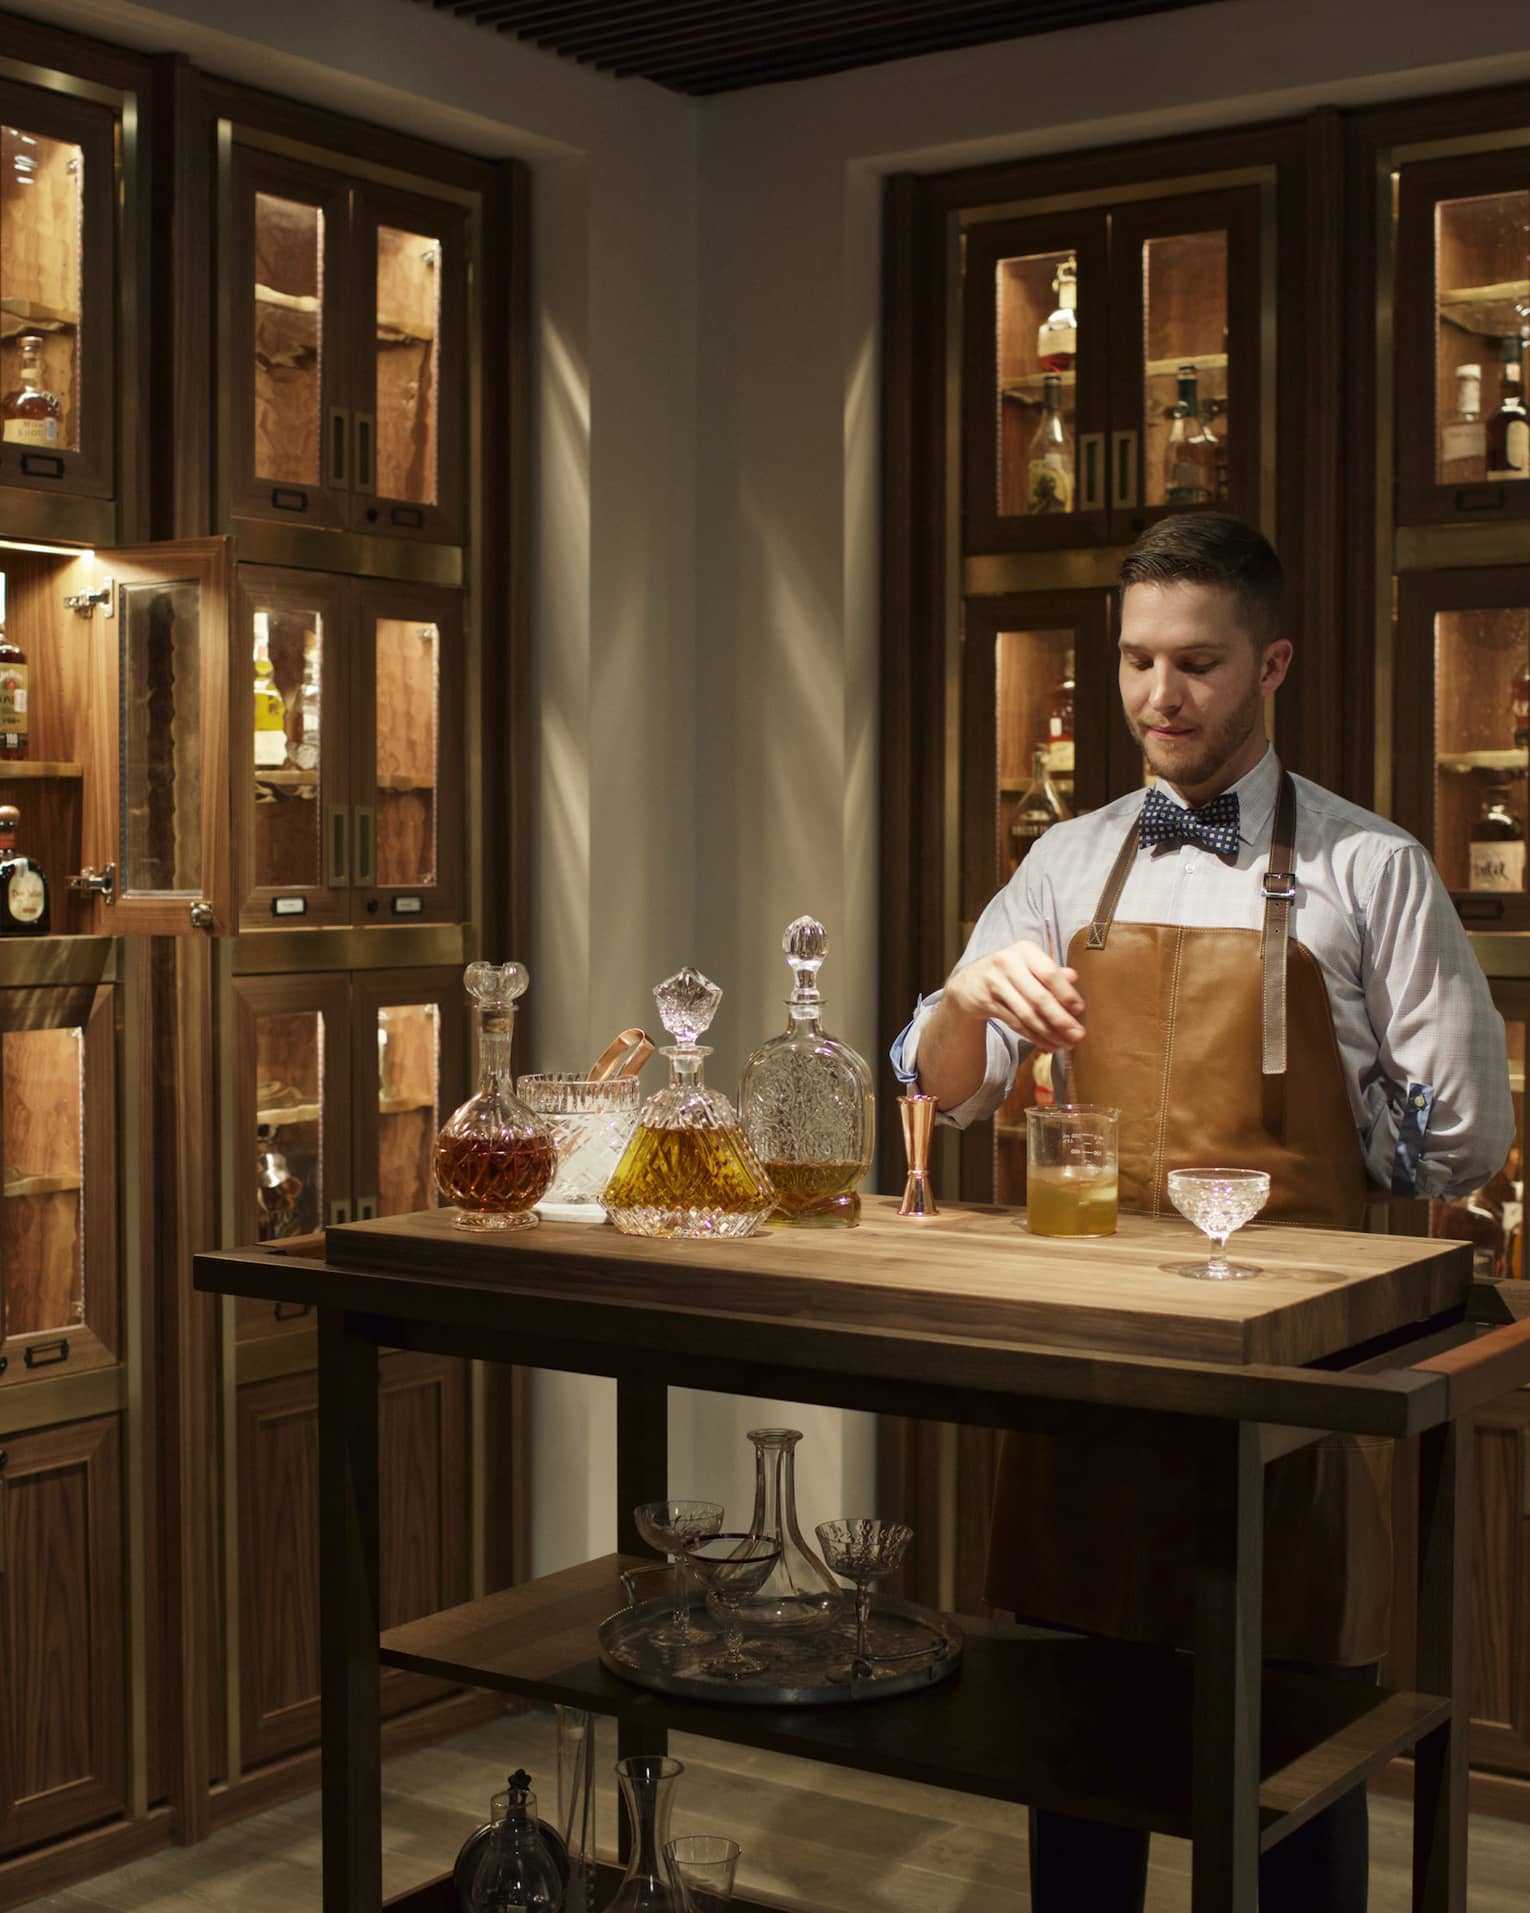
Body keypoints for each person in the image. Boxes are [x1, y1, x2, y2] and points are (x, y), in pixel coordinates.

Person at [890, 512, 1514, 1912]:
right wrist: (963, 995)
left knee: (1293, 1797)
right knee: (1078, 1784)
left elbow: (1460, 1139)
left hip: (1292, 1390)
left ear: (1271, 663)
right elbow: (946, 1084)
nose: (1156, 698)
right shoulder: (1064, 863)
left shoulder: (1371, 870)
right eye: (1132, 662)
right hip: (1092, 1374)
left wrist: (1359, 1113)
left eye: (1196, 664)